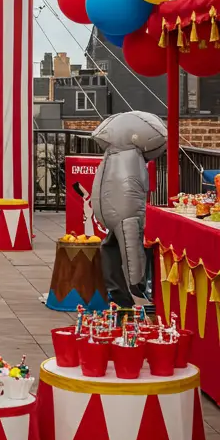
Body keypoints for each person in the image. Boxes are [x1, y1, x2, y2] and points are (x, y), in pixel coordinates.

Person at [90, 112, 167, 309]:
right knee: (131, 249)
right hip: (127, 213)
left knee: (112, 246)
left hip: (110, 210)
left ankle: (117, 293)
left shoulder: (112, 155)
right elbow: (137, 185)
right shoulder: (131, 158)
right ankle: (136, 293)